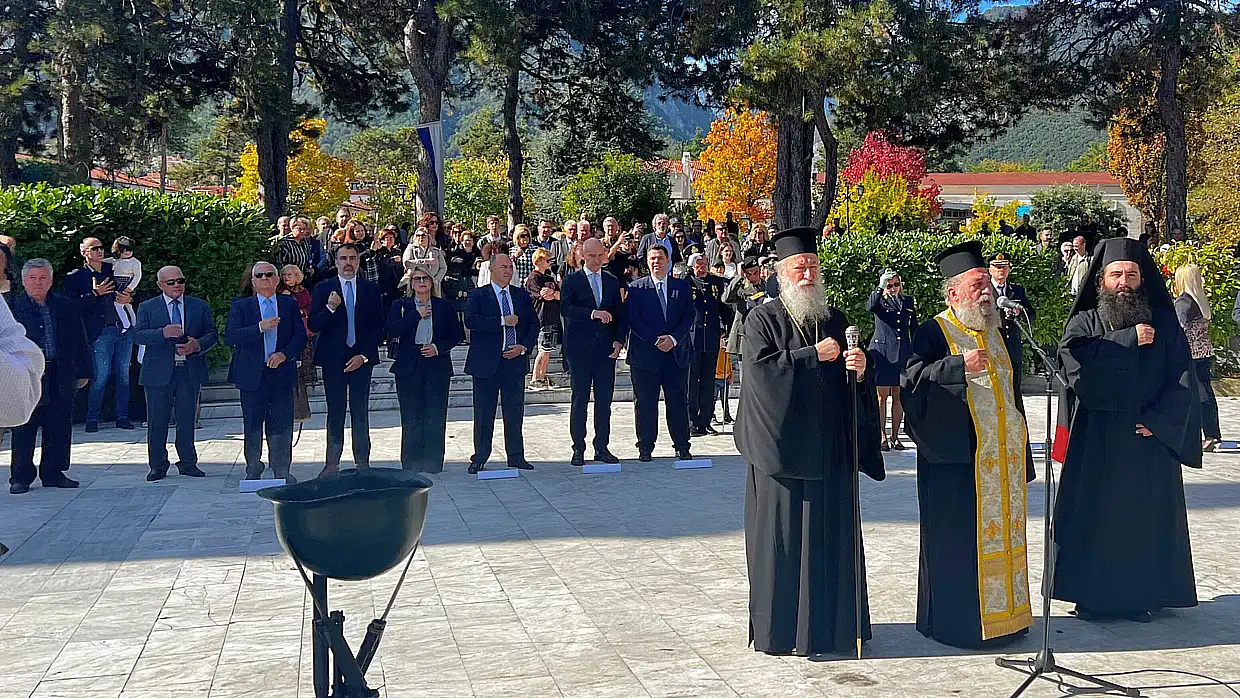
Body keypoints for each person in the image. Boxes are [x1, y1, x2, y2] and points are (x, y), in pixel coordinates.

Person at [735, 226, 884, 656]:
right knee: (782, 546)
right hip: (784, 455)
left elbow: (854, 382)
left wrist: (861, 370)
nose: (808, 275)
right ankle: (782, 632)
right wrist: (811, 356)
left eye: (813, 267)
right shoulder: (762, 320)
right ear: (781, 274)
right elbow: (760, 375)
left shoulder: (835, 319)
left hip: (830, 452)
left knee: (832, 543)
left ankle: (835, 629)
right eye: (799, 268)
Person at [1051, 237, 1199, 622]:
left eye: (1131, 275)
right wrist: (1127, 339)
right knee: (1095, 519)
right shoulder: (1085, 322)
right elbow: (1073, 365)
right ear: (1101, 279)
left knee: (1141, 521)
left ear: (1141, 279)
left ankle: (1139, 598)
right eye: (1115, 274)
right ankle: (1091, 598)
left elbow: (1182, 377)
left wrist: (1159, 421)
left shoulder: (1163, 322)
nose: (1123, 282)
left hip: (1146, 441)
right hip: (1097, 439)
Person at [901, 241, 1035, 649]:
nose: (986, 293)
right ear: (953, 292)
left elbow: (1012, 392)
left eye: (987, 285)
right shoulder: (934, 331)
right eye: (977, 285)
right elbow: (911, 383)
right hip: (957, 464)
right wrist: (957, 366)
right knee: (958, 546)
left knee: (1008, 538)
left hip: (1002, 462)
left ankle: (1010, 621)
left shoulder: (1001, 331)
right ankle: (959, 626)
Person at [8, 259, 90, 494]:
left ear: (51, 280)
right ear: (24, 281)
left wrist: (84, 371)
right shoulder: (12, 308)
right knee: (24, 427)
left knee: (59, 424)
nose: (38, 282)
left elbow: (80, 338)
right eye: (32, 278)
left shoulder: (64, 305)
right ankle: (20, 477)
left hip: (60, 372)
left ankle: (54, 473)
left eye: (43, 277)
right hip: (26, 374)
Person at [133, 266, 218, 482]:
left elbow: (212, 333)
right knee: (157, 420)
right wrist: (162, 333)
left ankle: (188, 462)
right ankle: (157, 465)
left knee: (187, 419)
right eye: (171, 282)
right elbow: (138, 335)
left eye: (180, 280)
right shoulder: (148, 307)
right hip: (158, 372)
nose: (177, 285)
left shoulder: (198, 305)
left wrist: (197, 345)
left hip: (189, 370)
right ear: (160, 285)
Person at [226, 262, 306, 483]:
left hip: (281, 373)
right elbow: (231, 337)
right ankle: (253, 468)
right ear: (253, 281)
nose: (264, 278)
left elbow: (300, 336)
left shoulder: (288, 304)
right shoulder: (241, 306)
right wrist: (259, 327)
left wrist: (284, 354)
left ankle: (281, 469)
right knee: (252, 424)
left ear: (277, 279)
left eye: (269, 274)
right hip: (252, 375)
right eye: (259, 275)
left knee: (281, 423)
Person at [310, 244, 384, 476]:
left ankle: (363, 463)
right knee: (335, 411)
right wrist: (330, 307)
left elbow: (378, 326)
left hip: (361, 358)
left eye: (352, 258)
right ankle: (332, 463)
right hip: (334, 360)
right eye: (343, 258)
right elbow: (314, 324)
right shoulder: (324, 288)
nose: (348, 262)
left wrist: (363, 355)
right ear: (336, 262)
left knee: (360, 411)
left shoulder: (370, 289)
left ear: (358, 261)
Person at [464, 253, 538, 473]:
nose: (508, 270)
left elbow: (533, 324)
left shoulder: (520, 295)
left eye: (510, 267)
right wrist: (501, 321)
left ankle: (516, 456)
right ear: (492, 269)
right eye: (503, 266)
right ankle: (480, 457)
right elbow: (470, 320)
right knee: (484, 413)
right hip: (486, 363)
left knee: (514, 412)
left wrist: (523, 347)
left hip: (514, 361)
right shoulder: (478, 295)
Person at [388, 265, 463, 473]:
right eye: (417, 279)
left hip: (436, 363)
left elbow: (455, 335)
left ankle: (433, 462)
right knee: (411, 416)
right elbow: (392, 329)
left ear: (432, 282)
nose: (421, 282)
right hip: (409, 365)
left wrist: (438, 347)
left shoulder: (443, 306)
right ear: (411, 283)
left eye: (425, 279)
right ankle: (411, 462)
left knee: (435, 415)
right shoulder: (400, 305)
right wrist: (416, 315)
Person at [560, 238, 625, 466]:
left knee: (604, 401)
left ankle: (602, 447)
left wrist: (619, 340)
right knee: (580, 400)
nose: (596, 260)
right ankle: (578, 447)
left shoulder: (611, 280)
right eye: (591, 256)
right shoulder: (572, 280)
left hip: (605, 350)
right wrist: (592, 313)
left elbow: (620, 313)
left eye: (600, 256)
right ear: (582, 256)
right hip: (579, 350)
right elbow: (566, 308)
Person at [626, 245, 694, 462]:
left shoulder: (682, 287)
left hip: (675, 355)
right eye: (652, 259)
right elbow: (633, 319)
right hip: (645, 355)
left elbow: (689, 316)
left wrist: (673, 339)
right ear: (647, 262)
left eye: (660, 258)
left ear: (668, 260)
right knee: (645, 403)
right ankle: (645, 446)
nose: (656, 262)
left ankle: (682, 445)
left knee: (678, 402)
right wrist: (655, 339)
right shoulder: (636, 288)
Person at [64, 236, 134, 432]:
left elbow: (130, 289)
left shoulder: (114, 269)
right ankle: (92, 419)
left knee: (123, 375)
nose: (99, 251)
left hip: (124, 327)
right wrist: (95, 294)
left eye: (101, 247)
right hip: (101, 331)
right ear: (84, 253)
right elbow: (69, 306)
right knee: (100, 376)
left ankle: (123, 417)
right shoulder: (76, 276)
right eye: (94, 248)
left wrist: (130, 297)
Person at [867, 270, 916, 451]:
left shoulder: (907, 301)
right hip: (883, 353)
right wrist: (881, 286)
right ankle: (882, 435)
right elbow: (870, 306)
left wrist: (917, 350)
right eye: (889, 285)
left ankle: (895, 436)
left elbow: (913, 326)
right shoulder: (879, 301)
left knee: (898, 396)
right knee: (882, 396)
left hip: (902, 353)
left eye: (896, 285)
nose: (893, 288)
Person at [1173, 264, 1220, 452]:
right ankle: (1211, 432)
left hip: (1190, 354)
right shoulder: (1200, 301)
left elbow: (1178, 329)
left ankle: (1207, 434)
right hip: (1204, 353)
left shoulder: (1183, 302)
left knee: (1197, 394)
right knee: (1205, 393)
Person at [686, 253, 728, 437]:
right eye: (698, 265)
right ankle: (691, 421)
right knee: (691, 382)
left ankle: (705, 420)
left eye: (704, 264)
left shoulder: (716, 282)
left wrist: (727, 329)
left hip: (710, 338)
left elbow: (723, 307)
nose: (701, 268)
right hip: (692, 339)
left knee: (708, 382)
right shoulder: (686, 282)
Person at [989, 253, 1034, 389]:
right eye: (997, 267)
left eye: (1004, 267)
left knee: (1014, 387)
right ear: (990, 270)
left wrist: (1019, 312)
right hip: (993, 344)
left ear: (1008, 269)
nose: (1001, 270)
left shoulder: (1017, 290)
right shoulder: (985, 290)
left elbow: (1031, 315)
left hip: (1012, 346)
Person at [279, 265, 317, 421]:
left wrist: (301, 311)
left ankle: (302, 412)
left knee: (302, 376)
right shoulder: (279, 292)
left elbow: (310, 309)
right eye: (284, 275)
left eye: (290, 275)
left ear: (297, 276)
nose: (287, 277)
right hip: (287, 335)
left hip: (303, 334)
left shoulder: (304, 292)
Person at [524, 248, 561, 390]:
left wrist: (553, 293)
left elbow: (559, 295)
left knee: (548, 349)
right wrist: (551, 294)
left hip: (553, 317)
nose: (550, 262)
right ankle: (535, 378)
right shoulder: (533, 278)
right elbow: (543, 295)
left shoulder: (549, 278)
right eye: (547, 260)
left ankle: (542, 376)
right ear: (539, 261)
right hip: (541, 317)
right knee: (543, 349)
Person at [108, 236, 142, 331]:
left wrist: (130, 288)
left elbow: (137, 276)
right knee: (127, 306)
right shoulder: (116, 261)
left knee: (119, 305)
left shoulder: (135, 262)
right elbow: (106, 260)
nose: (127, 252)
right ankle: (134, 325)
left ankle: (127, 324)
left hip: (127, 285)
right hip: (118, 285)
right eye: (124, 250)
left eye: (129, 250)